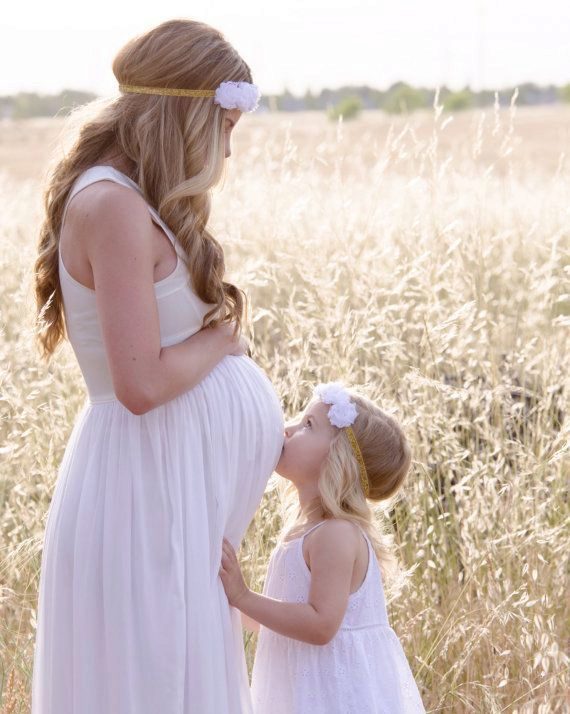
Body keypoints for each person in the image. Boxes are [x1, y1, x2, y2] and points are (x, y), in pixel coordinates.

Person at [31, 19, 284, 714]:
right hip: (142, 499)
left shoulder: (131, 199)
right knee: (152, 685)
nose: (226, 149)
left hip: (169, 495)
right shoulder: (110, 204)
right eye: (223, 127)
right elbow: (139, 384)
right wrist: (222, 341)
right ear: (184, 114)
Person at [219, 382, 426, 713]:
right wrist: (229, 597)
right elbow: (278, 625)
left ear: (338, 459)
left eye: (308, 425)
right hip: (300, 692)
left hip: (335, 697)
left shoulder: (336, 534)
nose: (287, 429)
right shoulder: (305, 532)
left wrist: (243, 596)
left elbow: (320, 625)